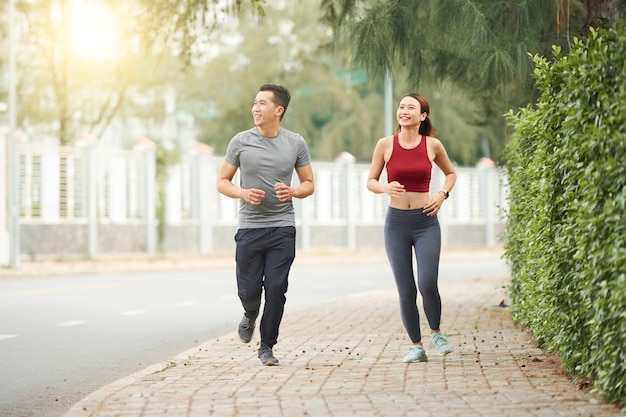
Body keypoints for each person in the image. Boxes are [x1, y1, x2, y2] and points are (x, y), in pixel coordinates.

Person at [216, 83, 315, 366]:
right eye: (255, 103)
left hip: (282, 226)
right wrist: (243, 193)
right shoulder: (240, 141)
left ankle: (267, 346)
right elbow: (222, 181)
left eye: (262, 103)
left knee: (276, 287)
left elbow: (309, 184)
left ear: (278, 110)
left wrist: (293, 191)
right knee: (249, 291)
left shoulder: (295, 143)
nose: (255, 108)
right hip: (249, 227)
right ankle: (249, 313)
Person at [366, 93, 457, 363]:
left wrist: (441, 195)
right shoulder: (385, 145)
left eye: (411, 108)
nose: (404, 111)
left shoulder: (432, 145)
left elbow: (451, 173)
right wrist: (384, 187)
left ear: (423, 116)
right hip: (396, 225)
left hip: (426, 222)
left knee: (427, 283)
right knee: (406, 289)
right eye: (401, 106)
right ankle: (416, 346)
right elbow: (371, 180)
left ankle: (436, 332)